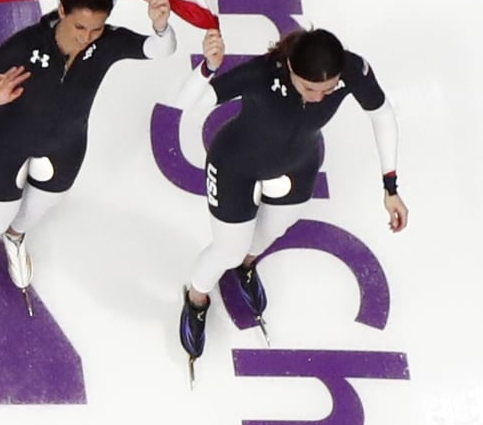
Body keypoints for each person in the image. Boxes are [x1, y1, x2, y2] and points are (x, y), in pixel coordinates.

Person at [0, 0, 177, 318]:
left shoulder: (106, 42)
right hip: (7, 144)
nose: (86, 37)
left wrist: (161, 26)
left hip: (65, 145)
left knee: (36, 211)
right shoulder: (24, 46)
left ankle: (15, 237)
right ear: (61, 10)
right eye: (79, 26)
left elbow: (162, 49)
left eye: (95, 29)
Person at [175, 27, 409, 361]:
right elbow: (184, 103)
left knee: (272, 230)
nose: (318, 98)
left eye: (328, 90)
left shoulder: (353, 69)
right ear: (290, 69)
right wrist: (207, 67)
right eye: (309, 87)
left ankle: (247, 265)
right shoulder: (261, 73)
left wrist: (391, 187)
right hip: (235, 166)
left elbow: (382, 113)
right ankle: (197, 298)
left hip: (298, 163)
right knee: (227, 251)